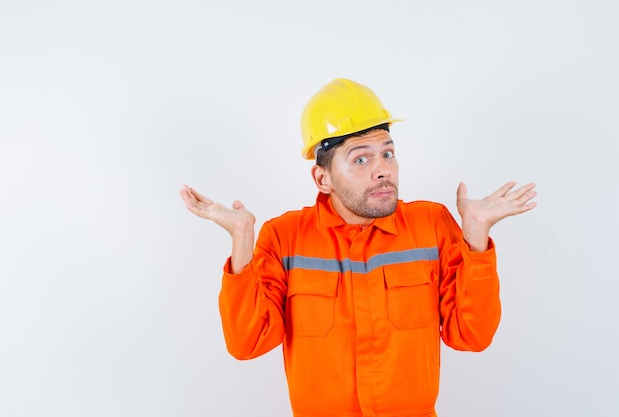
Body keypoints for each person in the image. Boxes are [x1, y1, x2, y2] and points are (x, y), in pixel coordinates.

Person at [179, 78, 537, 417]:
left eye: (388, 154)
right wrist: (242, 238)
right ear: (323, 178)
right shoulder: (285, 237)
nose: (382, 171)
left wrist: (476, 237)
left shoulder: (431, 225)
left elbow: (471, 336)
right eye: (361, 159)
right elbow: (247, 343)